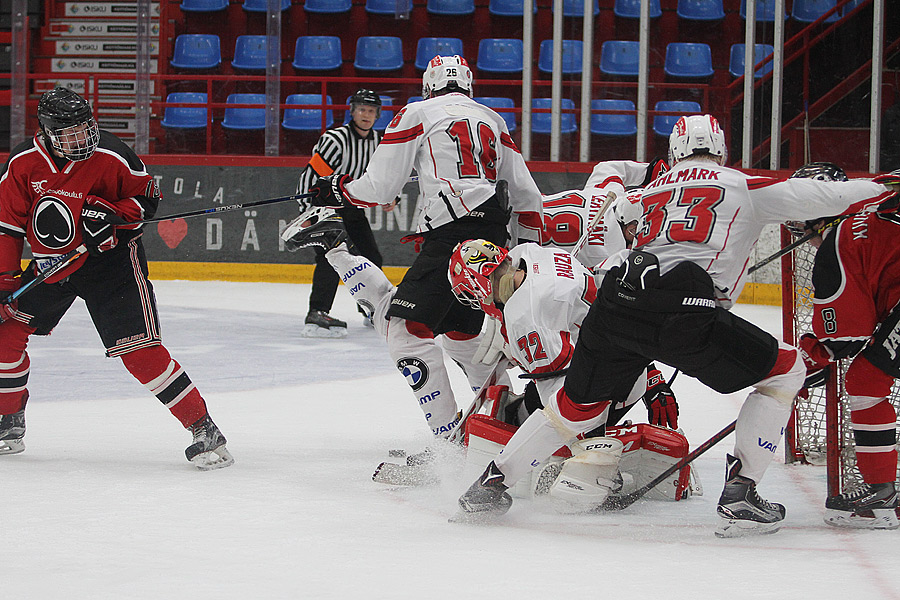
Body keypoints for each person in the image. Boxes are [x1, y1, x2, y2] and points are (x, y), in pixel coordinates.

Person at [454, 114, 896, 537]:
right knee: (787, 370)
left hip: (617, 299)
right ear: (721, 150)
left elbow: (615, 215)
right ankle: (742, 492)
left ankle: (492, 483)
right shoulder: (742, 184)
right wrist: (880, 185)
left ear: (675, 151)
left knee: (574, 406)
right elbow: (822, 197)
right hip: (685, 308)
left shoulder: (649, 191)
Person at [296, 55, 543, 439]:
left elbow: (379, 188)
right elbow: (529, 199)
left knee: (406, 328)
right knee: (465, 335)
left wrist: (338, 188)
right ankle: (501, 423)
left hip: (453, 234)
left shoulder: (418, 111)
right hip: (494, 236)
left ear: (429, 85)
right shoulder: (493, 119)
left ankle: (448, 440)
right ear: (468, 85)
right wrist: (527, 256)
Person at [0, 87, 233, 470]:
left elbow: (146, 200)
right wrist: (4, 281)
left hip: (112, 266)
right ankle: (8, 423)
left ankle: (203, 427)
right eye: (69, 133)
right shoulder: (24, 162)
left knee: (139, 352)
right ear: (46, 132)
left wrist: (112, 216)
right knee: (6, 335)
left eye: (84, 128)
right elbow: (7, 227)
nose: (81, 139)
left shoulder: (113, 154)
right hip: (50, 267)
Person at [447, 239, 687, 515]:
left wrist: (504, 469)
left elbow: (563, 405)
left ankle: (589, 459)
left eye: (473, 294)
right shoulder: (535, 253)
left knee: (542, 414)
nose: (480, 302)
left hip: (605, 388)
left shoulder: (525, 318)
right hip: (635, 368)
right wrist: (653, 377)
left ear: (478, 283)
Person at [792, 163, 900, 530]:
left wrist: (805, 362)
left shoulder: (838, 239)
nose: (806, 238)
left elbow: (844, 338)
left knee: (866, 383)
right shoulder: (876, 189)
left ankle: (881, 494)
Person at [291, 89, 394, 337]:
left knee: (371, 258)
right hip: (323, 210)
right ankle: (317, 312)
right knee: (331, 260)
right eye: (361, 109)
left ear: (377, 115)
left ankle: (371, 309)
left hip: (351, 210)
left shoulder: (378, 143)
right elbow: (310, 175)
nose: (366, 115)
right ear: (352, 111)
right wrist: (308, 214)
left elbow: (378, 179)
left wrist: (391, 196)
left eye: (371, 111)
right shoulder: (336, 139)